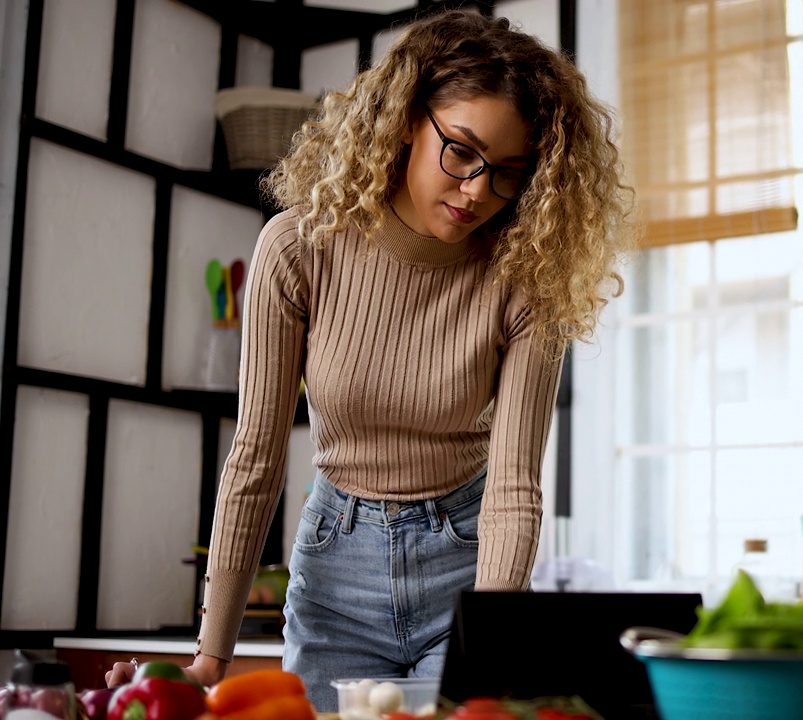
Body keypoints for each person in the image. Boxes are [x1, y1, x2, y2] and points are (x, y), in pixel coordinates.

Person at [106, 9, 633, 711]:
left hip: (469, 567)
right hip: (335, 575)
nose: (478, 190)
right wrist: (211, 655)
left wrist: (496, 639)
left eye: (507, 173)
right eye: (461, 151)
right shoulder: (298, 248)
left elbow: (513, 486)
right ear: (406, 120)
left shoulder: (526, 277)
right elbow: (256, 460)